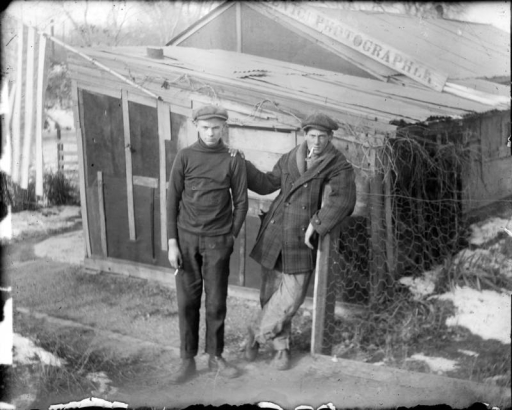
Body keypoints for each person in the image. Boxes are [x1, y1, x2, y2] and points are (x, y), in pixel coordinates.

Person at [244, 112, 356, 370]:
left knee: (291, 297)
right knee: (269, 293)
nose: (316, 141)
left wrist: (316, 224)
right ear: (304, 134)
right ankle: (281, 347)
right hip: (275, 229)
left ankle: (255, 333)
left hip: (301, 239)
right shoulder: (290, 157)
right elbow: (267, 183)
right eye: (312, 135)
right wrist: (244, 165)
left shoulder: (339, 165)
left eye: (322, 137)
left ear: (330, 137)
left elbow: (343, 200)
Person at [167, 104, 248, 384]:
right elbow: (171, 200)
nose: (211, 133)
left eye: (216, 127)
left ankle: (215, 356)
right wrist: (172, 243)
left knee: (215, 304)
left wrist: (231, 236)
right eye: (205, 128)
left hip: (217, 242)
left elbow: (241, 201)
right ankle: (187, 360)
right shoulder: (186, 156)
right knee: (187, 302)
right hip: (186, 240)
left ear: (223, 127)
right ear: (196, 127)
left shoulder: (233, 158)